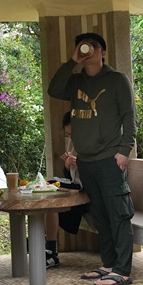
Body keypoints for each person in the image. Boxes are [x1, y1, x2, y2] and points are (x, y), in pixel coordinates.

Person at [47, 32, 137, 285]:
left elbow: (130, 117)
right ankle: (108, 264)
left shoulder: (117, 80)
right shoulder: (75, 81)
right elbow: (53, 89)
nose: (89, 50)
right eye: (85, 47)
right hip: (85, 161)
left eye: (94, 46)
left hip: (110, 158)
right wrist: (72, 60)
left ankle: (122, 270)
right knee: (100, 215)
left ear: (104, 52)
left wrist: (124, 150)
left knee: (118, 214)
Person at [42, 111, 87, 268]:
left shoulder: (92, 143)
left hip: (88, 192)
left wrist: (80, 163)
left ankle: (50, 251)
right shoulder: (74, 144)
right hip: (77, 187)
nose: (71, 137)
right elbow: (71, 175)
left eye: (72, 133)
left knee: (51, 197)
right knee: (49, 189)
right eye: (68, 134)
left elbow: (94, 173)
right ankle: (49, 249)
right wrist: (68, 165)